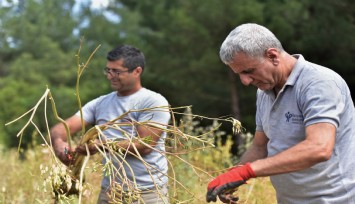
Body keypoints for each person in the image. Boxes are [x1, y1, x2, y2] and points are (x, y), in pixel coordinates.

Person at [206, 23, 355, 203]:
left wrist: (247, 171)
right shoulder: (264, 92)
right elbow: (260, 147)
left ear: (272, 56)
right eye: (239, 74)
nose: (245, 81)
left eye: (248, 71)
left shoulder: (319, 83)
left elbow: (319, 148)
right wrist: (231, 178)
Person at [50, 45, 171, 204]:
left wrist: (102, 145)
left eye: (117, 72)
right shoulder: (100, 103)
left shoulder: (153, 102)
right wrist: (59, 144)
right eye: (108, 70)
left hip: (147, 193)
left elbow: (145, 145)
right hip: (110, 193)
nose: (110, 76)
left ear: (137, 71)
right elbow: (61, 129)